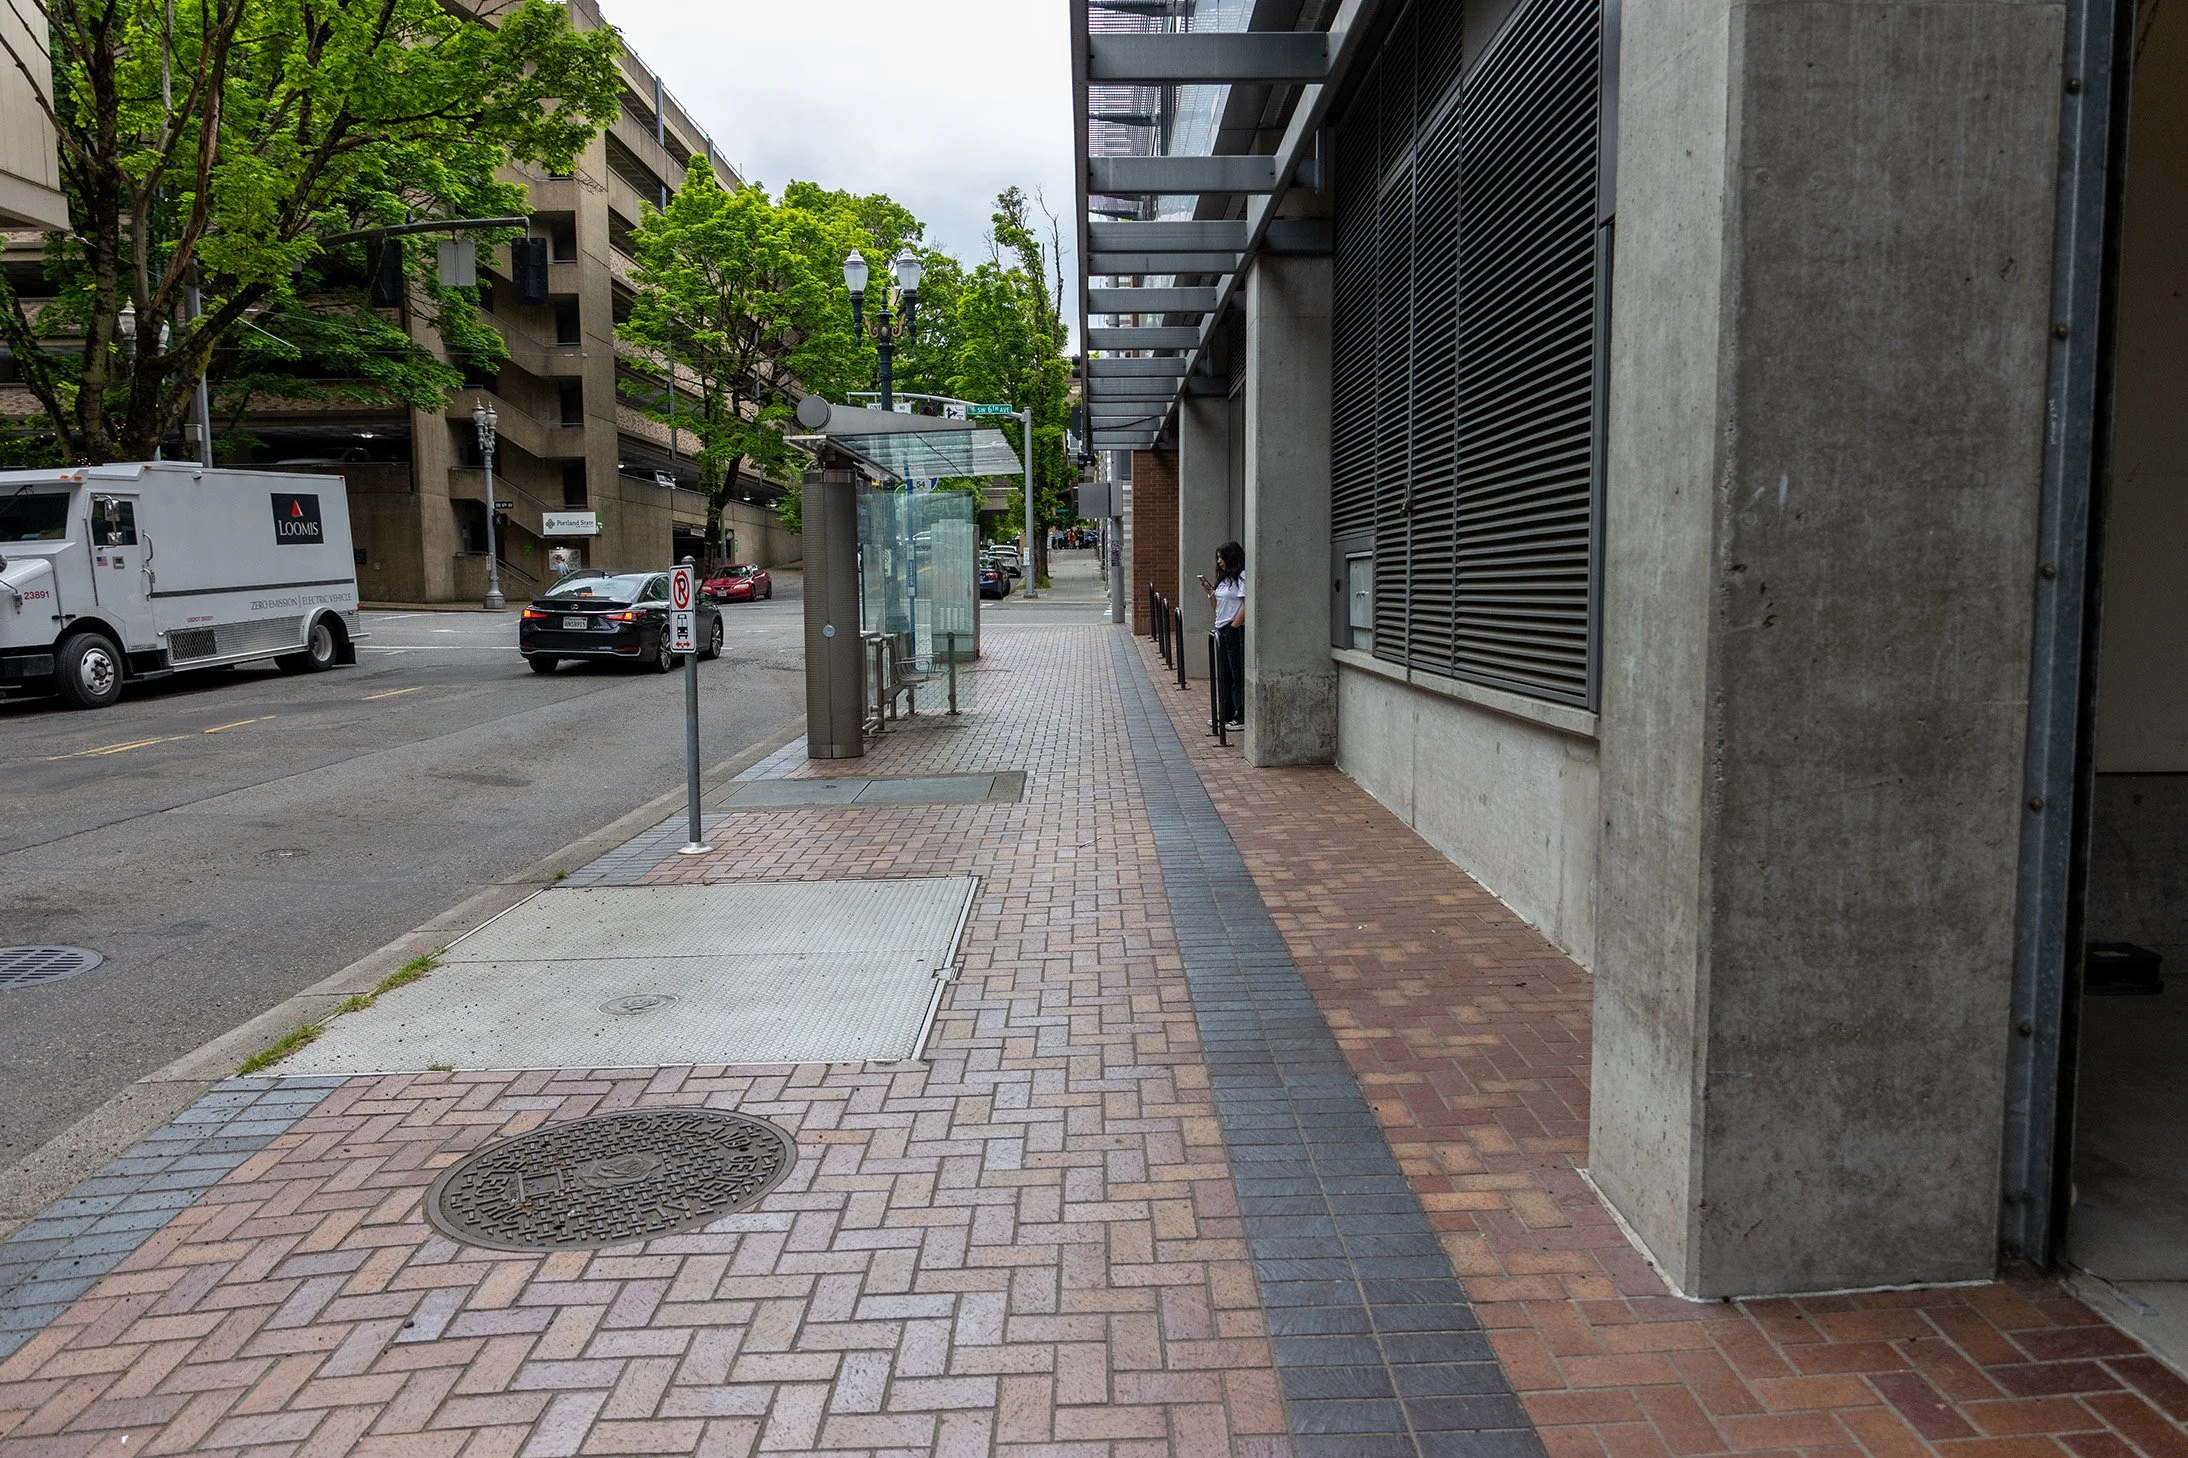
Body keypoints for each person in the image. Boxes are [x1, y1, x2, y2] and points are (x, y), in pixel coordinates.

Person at [1199, 541, 1246, 733]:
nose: (1219, 561)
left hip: (1233, 628)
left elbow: (1247, 605)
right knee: (1224, 674)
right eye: (1217, 558)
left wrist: (1234, 627)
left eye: (1222, 557)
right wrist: (1211, 593)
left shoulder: (1242, 576)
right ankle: (1226, 714)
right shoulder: (1224, 579)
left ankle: (1240, 715)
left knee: (1236, 674)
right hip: (1221, 627)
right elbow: (1217, 608)